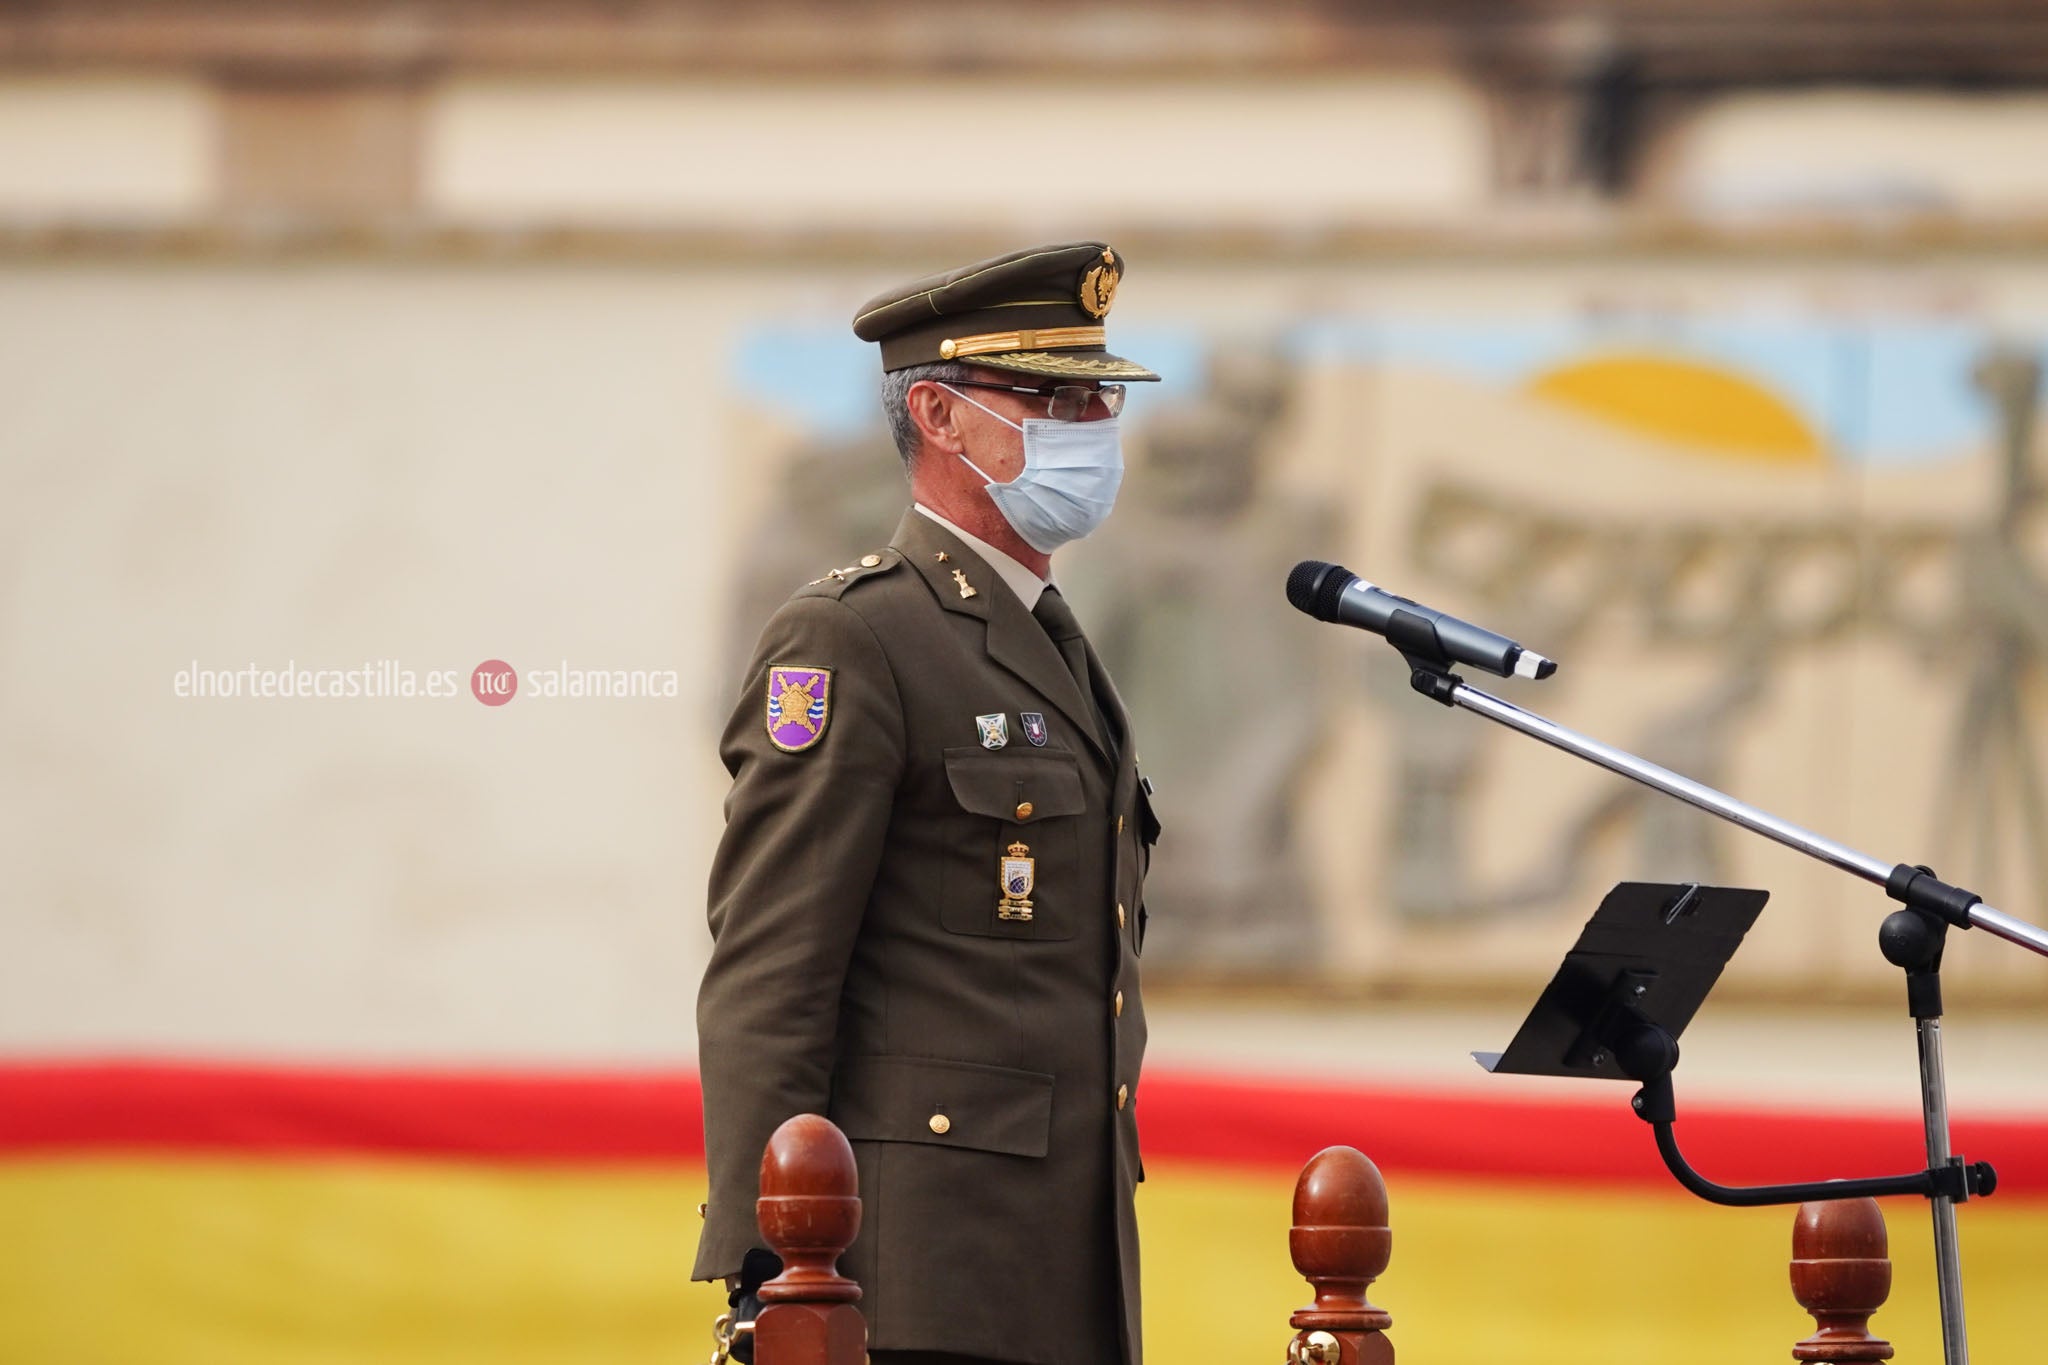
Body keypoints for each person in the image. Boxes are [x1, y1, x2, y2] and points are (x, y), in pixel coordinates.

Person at [692, 241, 1163, 1365]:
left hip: (1063, 1259)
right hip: (906, 1272)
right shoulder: (856, 636)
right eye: (1047, 395)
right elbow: (773, 967)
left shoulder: (1047, 640)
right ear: (941, 418)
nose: (1090, 419)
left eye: (1097, 393)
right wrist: (775, 1267)